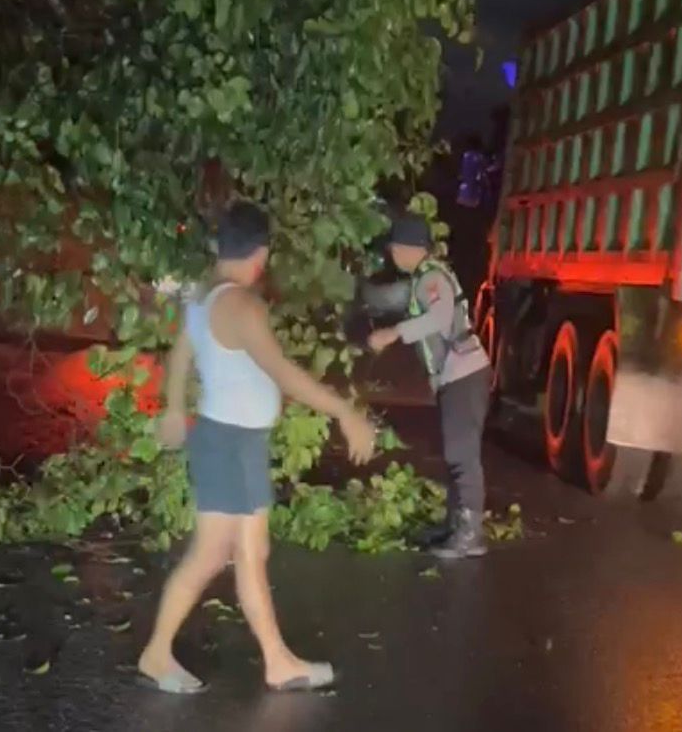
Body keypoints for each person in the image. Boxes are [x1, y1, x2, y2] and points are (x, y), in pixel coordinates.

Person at [138, 200, 377, 694]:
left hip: (234, 442)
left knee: (253, 551)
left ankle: (278, 661)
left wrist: (173, 410)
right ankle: (156, 655)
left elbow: (181, 355)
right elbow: (281, 371)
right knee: (210, 555)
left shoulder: (204, 297)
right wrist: (344, 411)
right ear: (261, 255)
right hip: (228, 444)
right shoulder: (241, 305)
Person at [366, 212, 492, 560]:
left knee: (461, 454)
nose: (391, 254)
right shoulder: (424, 277)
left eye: (393, 248)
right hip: (458, 375)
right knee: (455, 453)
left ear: (408, 248)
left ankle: (471, 533)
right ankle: (456, 524)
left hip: (464, 374)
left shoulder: (431, 278)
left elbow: (438, 318)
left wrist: (393, 333)